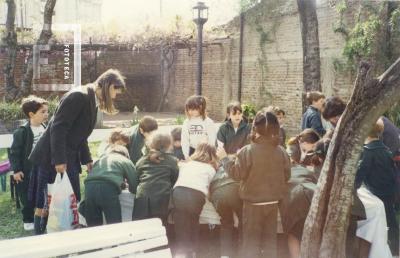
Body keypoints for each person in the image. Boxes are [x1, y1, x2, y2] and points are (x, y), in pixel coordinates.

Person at [29, 69, 126, 234]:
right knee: (44, 202)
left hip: (69, 156)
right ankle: (39, 238)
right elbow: (58, 128)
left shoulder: (92, 100)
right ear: (107, 85)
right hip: (50, 157)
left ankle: (62, 234)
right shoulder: (78, 96)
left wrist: (87, 159)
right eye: (115, 91)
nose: (115, 96)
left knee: (69, 200)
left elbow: (80, 134)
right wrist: (59, 160)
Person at [218, 111, 290, 258]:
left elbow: (237, 175)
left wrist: (224, 159)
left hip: (253, 205)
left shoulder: (247, 151)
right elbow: (287, 176)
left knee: (250, 245)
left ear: (254, 129)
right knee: (270, 243)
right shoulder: (282, 152)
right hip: (273, 203)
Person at [211, 101, 250, 258]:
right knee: (229, 222)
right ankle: (227, 254)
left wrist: (232, 156)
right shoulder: (222, 128)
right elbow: (219, 149)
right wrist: (226, 157)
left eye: (240, 113)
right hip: (226, 163)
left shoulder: (248, 127)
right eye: (234, 113)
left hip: (239, 161)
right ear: (228, 115)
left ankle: (241, 252)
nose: (238, 116)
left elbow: (247, 147)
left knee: (241, 221)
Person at [355, 120, 399, 255]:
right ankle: (396, 247)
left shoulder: (367, 152)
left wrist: (355, 186)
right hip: (389, 189)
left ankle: (382, 247)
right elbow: (392, 170)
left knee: (382, 220)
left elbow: (361, 172)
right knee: (391, 219)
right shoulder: (386, 150)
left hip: (376, 191)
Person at [9, 96, 48, 231]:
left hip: (44, 168)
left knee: (43, 193)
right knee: (27, 196)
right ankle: (28, 219)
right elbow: (14, 152)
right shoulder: (22, 132)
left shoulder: (46, 128)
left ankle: (43, 215)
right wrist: (17, 170)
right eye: (42, 112)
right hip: (27, 170)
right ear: (31, 114)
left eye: (47, 112)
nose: (46, 115)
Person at [172, 143, 218, 258]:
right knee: (193, 222)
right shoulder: (210, 169)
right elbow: (210, 190)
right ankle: (194, 253)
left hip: (178, 192)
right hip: (196, 195)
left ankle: (183, 253)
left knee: (181, 225)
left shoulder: (187, 164)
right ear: (212, 155)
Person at [84, 145, 137, 226]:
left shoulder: (100, 160)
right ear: (126, 155)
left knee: (93, 224)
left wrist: (121, 185)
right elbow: (134, 184)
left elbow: (105, 174)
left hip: (89, 187)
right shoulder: (126, 161)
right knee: (114, 223)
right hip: (107, 189)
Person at [132, 132, 179, 225]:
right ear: (168, 144)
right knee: (161, 229)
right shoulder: (172, 161)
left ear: (150, 144)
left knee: (141, 229)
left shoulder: (142, 160)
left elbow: (135, 181)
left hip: (142, 199)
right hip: (162, 199)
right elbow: (175, 180)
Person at [181, 95, 217, 160]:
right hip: (191, 151)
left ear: (201, 108)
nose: (191, 111)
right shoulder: (186, 122)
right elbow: (184, 140)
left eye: (194, 109)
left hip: (205, 151)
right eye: (189, 109)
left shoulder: (208, 122)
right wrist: (186, 155)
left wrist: (211, 154)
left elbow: (212, 140)